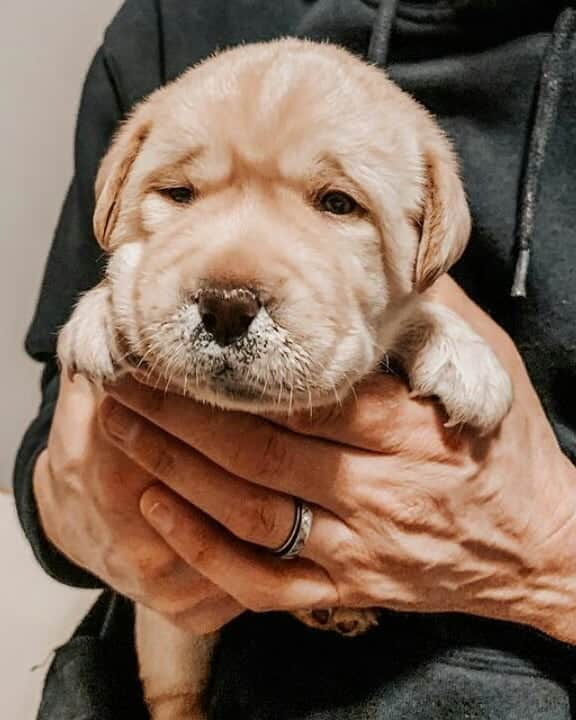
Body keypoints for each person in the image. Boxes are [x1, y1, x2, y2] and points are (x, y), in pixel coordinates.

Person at [14, 1, 576, 718]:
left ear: (432, 228)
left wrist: (556, 550)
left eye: (337, 203)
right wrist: (74, 499)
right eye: (181, 192)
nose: (229, 285)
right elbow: (45, 444)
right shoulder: (168, 21)